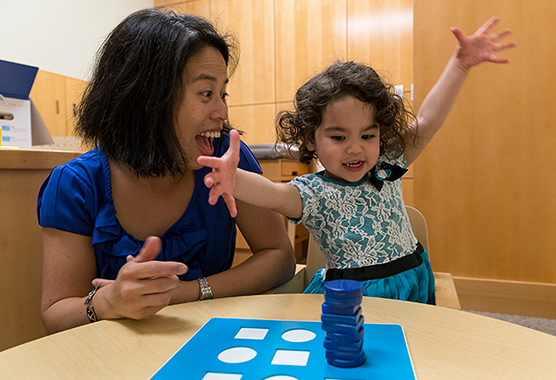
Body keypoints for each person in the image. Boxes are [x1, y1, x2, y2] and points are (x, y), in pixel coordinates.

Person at [198, 17, 515, 304]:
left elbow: (427, 122)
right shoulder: (314, 191)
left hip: (412, 286)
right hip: (349, 302)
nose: (355, 149)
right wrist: (234, 178)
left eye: (367, 136)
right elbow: (275, 194)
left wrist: (459, 65)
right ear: (311, 139)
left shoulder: (387, 164)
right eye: (338, 137)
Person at [36, 8, 296, 334]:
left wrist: (188, 291)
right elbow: (55, 313)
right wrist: (107, 302)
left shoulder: (225, 161)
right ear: (148, 99)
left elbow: (279, 256)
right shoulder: (76, 184)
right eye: (206, 94)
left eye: (222, 93)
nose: (223, 110)